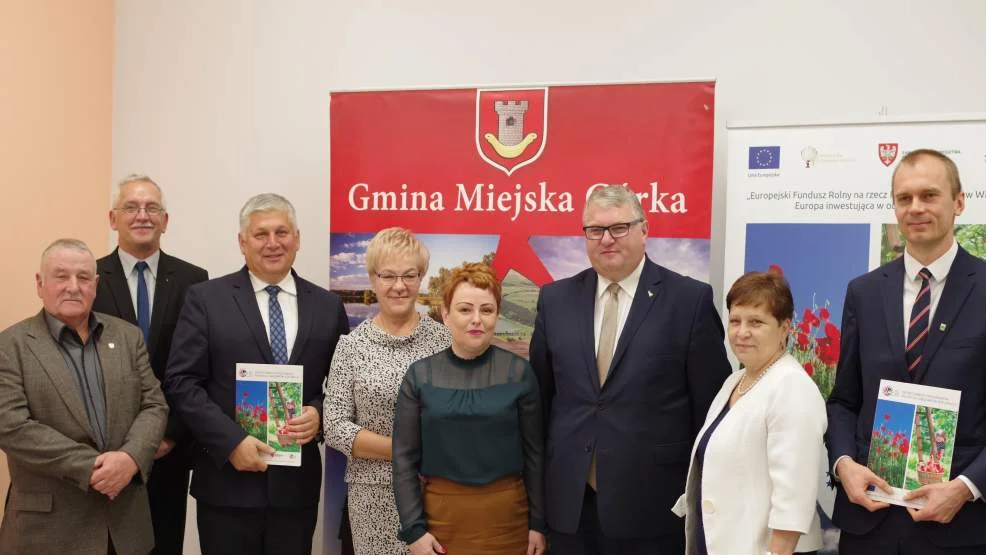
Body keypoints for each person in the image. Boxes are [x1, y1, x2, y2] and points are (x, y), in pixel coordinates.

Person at [529, 184, 731, 553]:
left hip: (653, 509)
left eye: (618, 228)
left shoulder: (689, 301)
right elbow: (541, 402)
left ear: (644, 230)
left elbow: (711, 413)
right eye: (595, 230)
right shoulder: (555, 300)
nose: (606, 239)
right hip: (571, 509)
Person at [163, 193, 349, 555]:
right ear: (242, 242)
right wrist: (231, 442)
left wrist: (318, 413)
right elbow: (181, 381)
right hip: (226, 484)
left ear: (297, 239)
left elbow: (342, 386)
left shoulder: (328, 306)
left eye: (282, 232)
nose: (272, 243)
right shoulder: (206, 299)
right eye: (261, 234)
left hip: (295, 488)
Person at [827, 149, 986, 554]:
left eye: (929, 195)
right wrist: (844, 464)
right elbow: (844, 401)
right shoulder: (863, 292)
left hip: (960, 527)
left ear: (959, 202)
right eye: (904, 198)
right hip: (870, 525)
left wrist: (967, 487)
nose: (915, 207)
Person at [0, 239, 168, 554]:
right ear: (40, 283)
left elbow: (154, 405)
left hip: (124, 528)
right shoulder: (10, 346)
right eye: (61, 276)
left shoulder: (128, 337)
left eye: (83, 277)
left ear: (96, 284)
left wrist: (131, 458)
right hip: (48, 531)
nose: (73, 287)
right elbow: (11, 426)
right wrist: (93, 467)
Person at [392, 263, 547, 555]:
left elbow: (535, 454)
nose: (476, 319)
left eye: (486, 310)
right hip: (440, 525)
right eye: (465, 309)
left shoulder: (519, 373)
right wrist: (414, 531)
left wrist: (538, 523)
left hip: (510, 523)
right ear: (446, 314)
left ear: (497, 316)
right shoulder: (420, 376)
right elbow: (403, 459)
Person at [92, 173, 208, 554]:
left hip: (169, 450)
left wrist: (169, 434)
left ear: (165, 220)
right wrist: (125, 446)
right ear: (113, 219)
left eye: (151, 208)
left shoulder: (195, 281)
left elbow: (199, 366)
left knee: (163, 544)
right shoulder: (90, 279)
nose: (142, 215)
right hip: (107, 452)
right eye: (131, 207)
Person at [673, 270, 826, 554]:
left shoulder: (792, 387)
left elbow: (793, 501)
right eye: (735, 321)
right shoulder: (735, 381)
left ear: (785, 328)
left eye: (756, 322)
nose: (742, 332)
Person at [324, 227, 451, 554]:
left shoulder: (446, 342)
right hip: (371, 497)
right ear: (372, 279)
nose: (399, 286)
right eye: (388, 276)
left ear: (421, 277)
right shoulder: (351, 347)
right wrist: (404, 450)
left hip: (437, 492)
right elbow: (335, 427)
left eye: (409, 275)